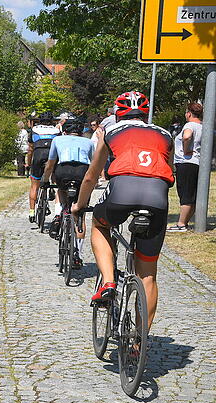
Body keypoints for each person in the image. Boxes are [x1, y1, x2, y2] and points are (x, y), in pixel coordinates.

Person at [72, 91, 174, 332]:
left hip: (122, 189)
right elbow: (171, 173)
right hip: (157, 195)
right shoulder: (166, 134)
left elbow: (91, 176)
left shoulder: (111, 132)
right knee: (148, 274)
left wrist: (79, 205)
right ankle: (139, 340)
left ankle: (108, 283)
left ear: (118, 115)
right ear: (146, 114)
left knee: (100, 224)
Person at [40, 116, 94, 267]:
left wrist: (45, 181)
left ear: (64, 131)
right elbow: (94, 166)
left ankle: (60, 213)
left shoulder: (57, 140)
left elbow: (50, 164)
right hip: (82, 172)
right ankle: (78, 254)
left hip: (63, 170)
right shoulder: (89, 142)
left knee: (61, 190)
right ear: (81, 132)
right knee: (80, 213)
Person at [168, 102, 203, 232]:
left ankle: (181, 224)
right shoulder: (203, 126)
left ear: (189, 113)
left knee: (185, 194)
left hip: (186, 162)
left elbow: (187, 136)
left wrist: (185, 149)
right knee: (192, 194)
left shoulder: (189, 125)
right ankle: (185, 222)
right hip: (197, 163)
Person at [27, 112, 60, 222]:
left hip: (38, 155)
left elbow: (30, 148)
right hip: (52, 156)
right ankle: (58, 211)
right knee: (56, 180)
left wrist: (29, 162)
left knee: (34, 185)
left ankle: (32, 212)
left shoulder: (34, 129)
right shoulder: (56, 130)